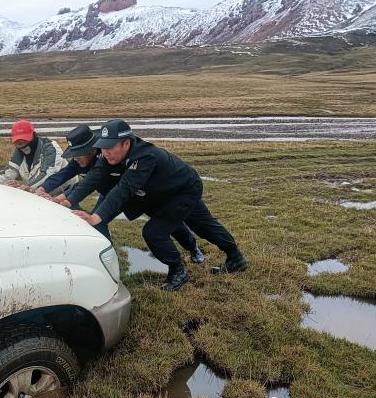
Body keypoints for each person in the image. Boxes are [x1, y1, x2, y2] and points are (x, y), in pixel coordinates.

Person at [62, 119, 246, 291]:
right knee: (171, 227)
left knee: (170, 230)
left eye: (109, 147)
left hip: (184, 189)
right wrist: (67, 200)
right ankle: (224, 260)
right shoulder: (111, 157)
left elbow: (123, 189)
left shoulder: (145, 157)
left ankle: (182, 269)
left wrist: (96, 217)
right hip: (160, 194)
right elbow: (94, 177)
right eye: (102, 147)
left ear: (126, 143)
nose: (105, 152)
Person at [36, 125, 205, 265]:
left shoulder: (107, 154)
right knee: (97, 222)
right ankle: (107, 257)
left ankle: (192, 247)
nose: (76, 159)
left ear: (91, 150)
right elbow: (71, 176)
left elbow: (107, 185)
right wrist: (42, 189)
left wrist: (64, 198)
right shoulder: (84, 158)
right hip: (111, 196)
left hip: (135, 194)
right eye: (74, 155)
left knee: (169, 224)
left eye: (79, 154)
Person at [0, 119, 72, 193]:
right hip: (39, 192)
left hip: (66, 191)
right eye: (18, 142)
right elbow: (9, 173)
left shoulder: (50, 147)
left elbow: (47, 173)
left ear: (33, 135)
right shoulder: (18, 152)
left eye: (24, 140)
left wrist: (26, 187)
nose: (21, 144)